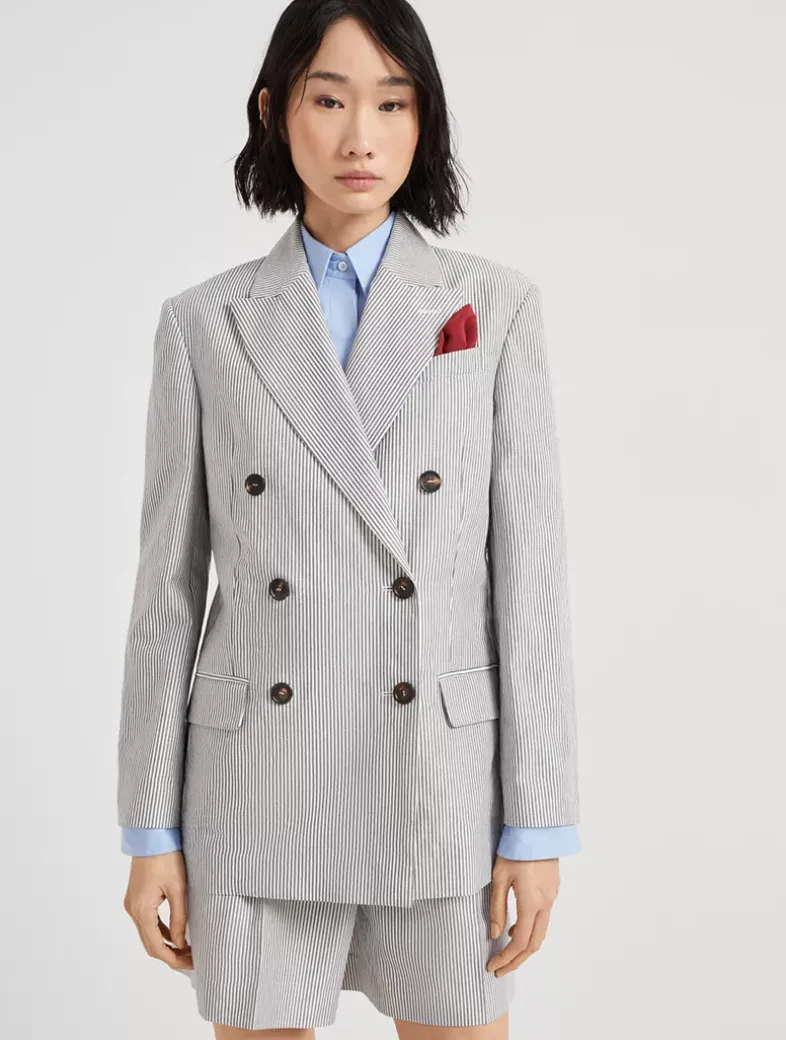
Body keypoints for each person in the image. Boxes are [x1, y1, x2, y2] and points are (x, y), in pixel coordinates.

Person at [117, 1, 581, 1036]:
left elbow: (532, 582)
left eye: (392, 103)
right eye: (329, 100)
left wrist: (539, 822)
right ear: (275, 113)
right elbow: (166, 596)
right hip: (257, 789)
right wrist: (150, 829)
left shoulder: (495, 307)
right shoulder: (205, 324)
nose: (361, 137)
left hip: (440, 786)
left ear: (425, 120)